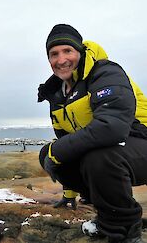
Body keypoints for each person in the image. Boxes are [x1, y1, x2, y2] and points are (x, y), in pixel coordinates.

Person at [37, 24, 147, 243]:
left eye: (68, 51)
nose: (61, 60)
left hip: (140, 141)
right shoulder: (58, 94)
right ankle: (107, 215)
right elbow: (66, 142)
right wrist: (69, 193)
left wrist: (57, 150)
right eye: (54, 54)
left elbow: (112, 127)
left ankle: (124, 229)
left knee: (100, 158)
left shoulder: (105, 72)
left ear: (80, 51)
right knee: (48, 154)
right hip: (114, 149)